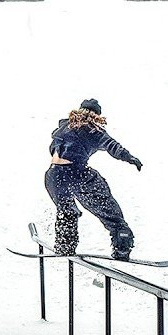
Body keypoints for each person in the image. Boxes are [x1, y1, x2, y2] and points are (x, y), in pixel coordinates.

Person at [44, 100, 143, 260]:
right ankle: (122, 243)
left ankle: (65, 245)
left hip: (53, 176)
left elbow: (52, 149)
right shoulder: (93, 130)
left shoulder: (63, 127)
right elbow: (112, 146)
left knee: (67, 212)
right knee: (108, 208)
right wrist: (130, 158)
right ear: (96, 115)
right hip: (77, 174)